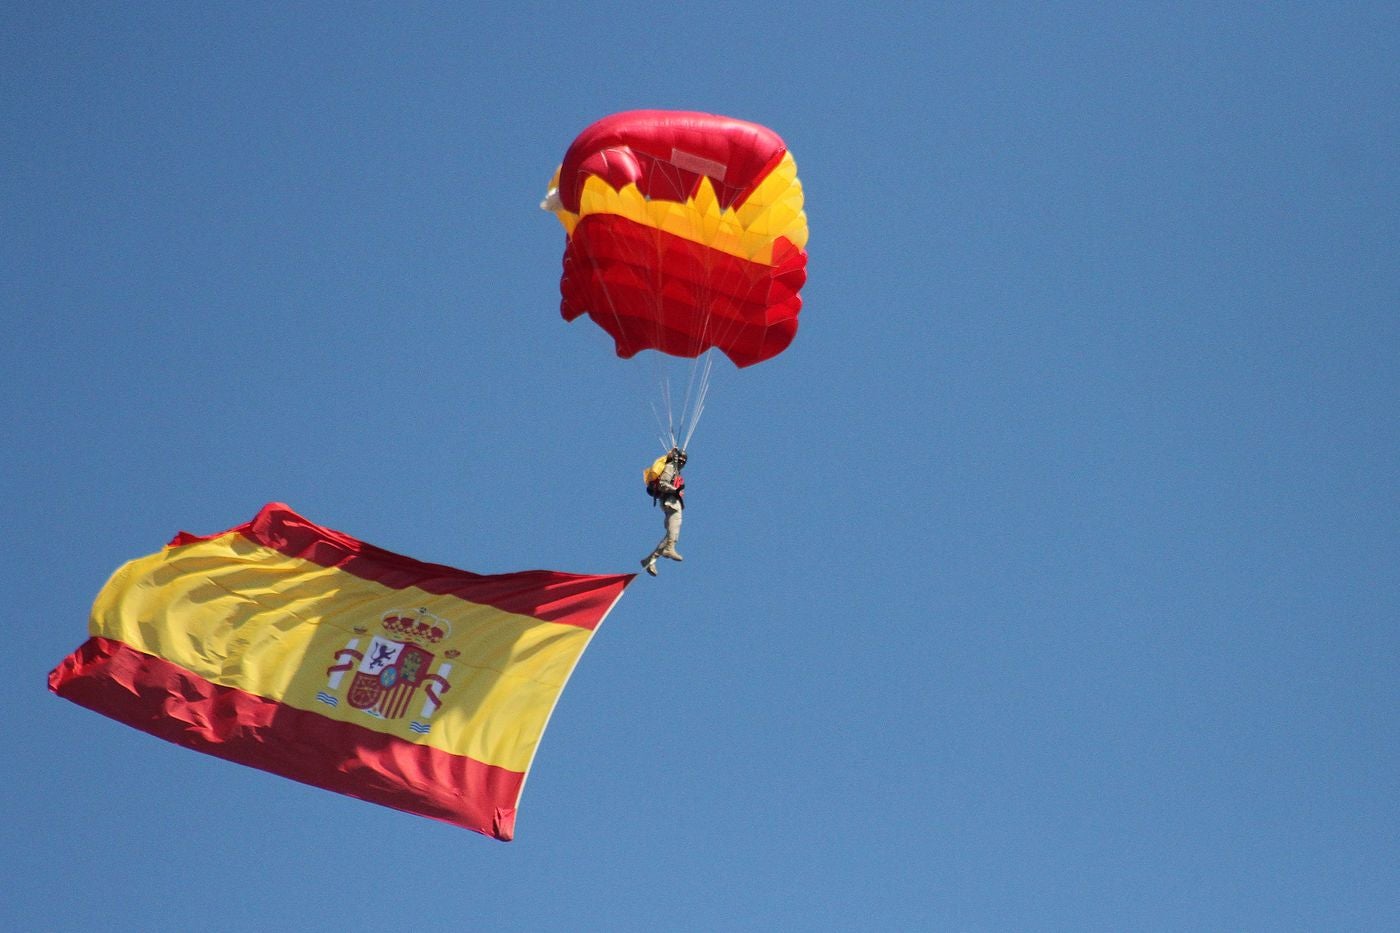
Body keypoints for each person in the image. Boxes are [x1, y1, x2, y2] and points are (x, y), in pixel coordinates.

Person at [641, 447, 687, 576]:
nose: (682, 462)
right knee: (674, 532)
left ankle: (649, 560)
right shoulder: (671, 467)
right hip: (671, 503)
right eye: (681, 459)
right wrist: (675, 490)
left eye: (685, 460)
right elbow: (662, 483)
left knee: (671, 535)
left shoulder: (676, 471)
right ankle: (669, 549)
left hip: (671, 502)